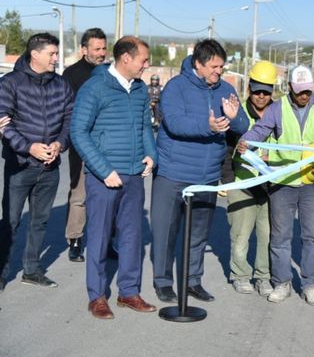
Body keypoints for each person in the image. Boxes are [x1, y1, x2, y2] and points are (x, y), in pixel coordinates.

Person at [151, 39, 248, 304]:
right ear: (198, 63)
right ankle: (163, 282)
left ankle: (193, 281)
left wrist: (234, 117)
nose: (219, 71)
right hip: (173, 173)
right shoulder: (176, 88)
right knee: (165, 232)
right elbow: (175, 123)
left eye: (221, 66)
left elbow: (242, 125)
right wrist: (208, 127)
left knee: (198, 235)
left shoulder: (226, 89)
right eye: (214, 66)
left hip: (206, 177)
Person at [237, 65, 314, 306]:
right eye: (299, 91)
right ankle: (282, 282)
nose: (304, 95)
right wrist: (246, 141)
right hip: (282, 181)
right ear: (290, 88)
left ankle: (310, 284)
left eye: (308, 90)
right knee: (280, 237)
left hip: (312, 183)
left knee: (311, 236)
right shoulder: (277, 108)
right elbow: (260, 130)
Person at [71, 36, 157, 319]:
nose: (146, 65)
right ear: (126, 58)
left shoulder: (140, 89)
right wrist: (103, 170)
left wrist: (151, 154)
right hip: (104, 177)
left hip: (134, 175)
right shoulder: (94, 88)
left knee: (132, 236)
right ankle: (97, 296)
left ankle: (129, 292)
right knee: (98, 236)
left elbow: (145, 127)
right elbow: (78, 132)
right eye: (143, 60)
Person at [0, 33, 74, 290]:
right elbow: (3, 123)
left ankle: (31, 270)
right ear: (35, 54)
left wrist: (59, 144)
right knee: (10, 221)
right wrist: (28, 147)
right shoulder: (10, 83)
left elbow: (70, 118)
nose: (56, 58)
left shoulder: (61, 84)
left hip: (50, 167)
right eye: (52, 53)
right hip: (20, 166)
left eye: (56, 53)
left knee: (40, 221)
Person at [226, 60, 277, 296]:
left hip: (270, 186)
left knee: (267, 235)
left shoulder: (278, 114)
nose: (261, 96)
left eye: (266, 92)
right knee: (240, 235)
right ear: (249, 89)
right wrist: (227, 180)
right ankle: (240, 275)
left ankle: (263, 276)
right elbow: (226, 148)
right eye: (257, 91)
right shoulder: (239, 114)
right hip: (242, 183)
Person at [61, 27, 108, 262]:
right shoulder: (71, 75)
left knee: (108, 196)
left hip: (108, 145)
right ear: (84, 50)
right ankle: (75, 240)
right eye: (96, 49)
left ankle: (107, 241)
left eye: (104, 48)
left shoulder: (110, 73)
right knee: (79, 195)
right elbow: (65, 111)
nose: (101, 53)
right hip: (81, 145)